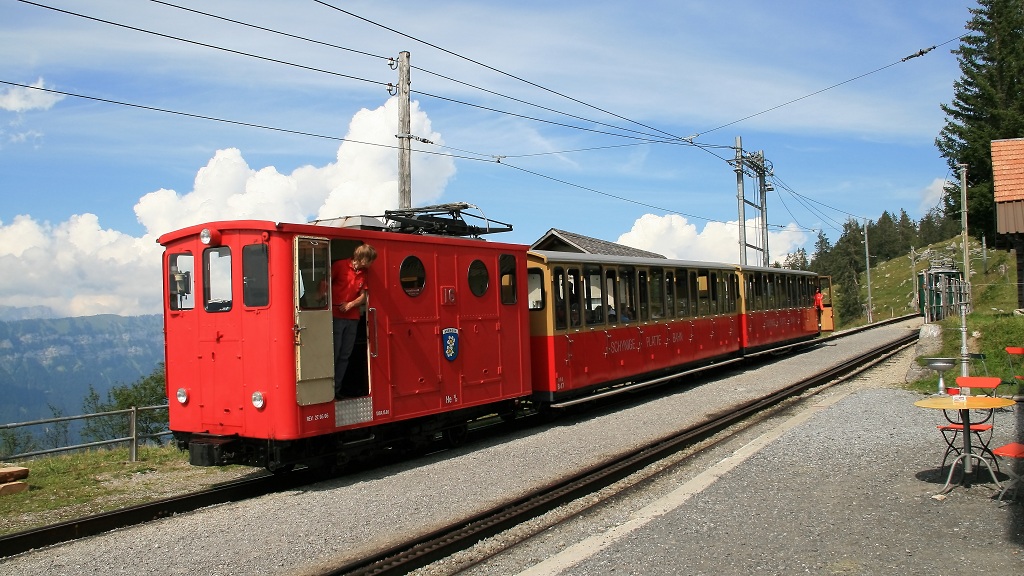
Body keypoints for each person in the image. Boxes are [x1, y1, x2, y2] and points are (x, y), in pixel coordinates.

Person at [330, 244, 377, 399]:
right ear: (363, 258)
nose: (371, 264)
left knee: (345, 355)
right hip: (336, 316)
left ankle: (336, 390)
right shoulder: (339, 265)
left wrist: (350, 305)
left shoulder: (364, 273)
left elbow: (364, 296)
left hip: (352, 318)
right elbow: (326, 283)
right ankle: (329, 391)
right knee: (335, 354)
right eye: (370, 260)